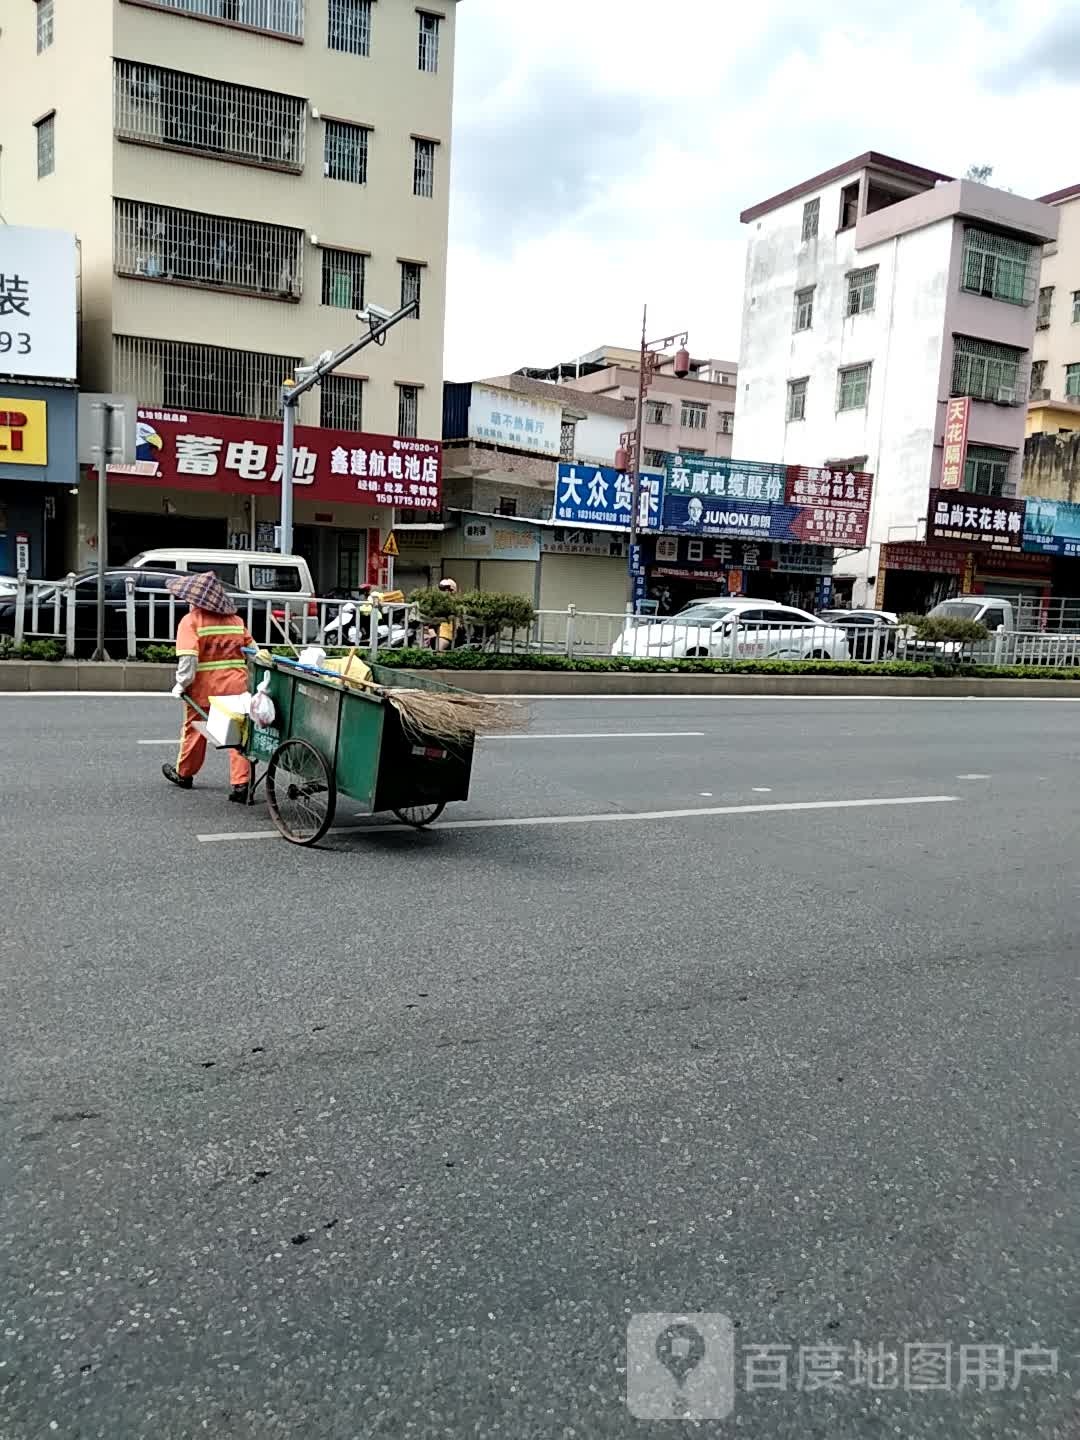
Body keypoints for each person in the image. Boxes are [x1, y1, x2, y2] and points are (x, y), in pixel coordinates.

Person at [161, 571, 254, 803]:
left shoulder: (191, 622)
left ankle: (185, 774)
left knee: (195, 730)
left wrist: (181, 684)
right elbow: (254, 652)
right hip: (236, 687)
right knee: (238, 736)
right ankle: (241, 784)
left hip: (204, 690)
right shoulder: (236, 621)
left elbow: (189, 660)